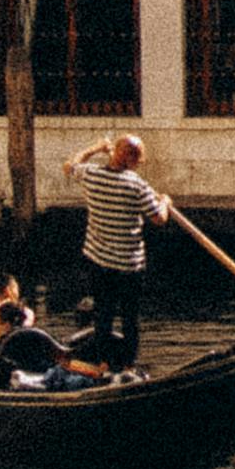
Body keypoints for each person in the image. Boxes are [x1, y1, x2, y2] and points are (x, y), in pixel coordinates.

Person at [65, 131, 167, 367]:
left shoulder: (91, 175)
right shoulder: (137, 186)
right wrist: (165, 202)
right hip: (129, 266)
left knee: (103, 315)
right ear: (132, 160)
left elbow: (70, 165)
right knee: (130, 318)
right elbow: (159, 218)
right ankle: (129, 365)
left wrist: (96, 148)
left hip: (98, 261)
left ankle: (103, 364)